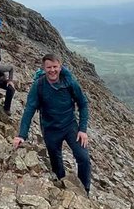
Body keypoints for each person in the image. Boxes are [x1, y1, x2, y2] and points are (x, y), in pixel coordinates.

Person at [14, 53, 91, 193]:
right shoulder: (39, 86)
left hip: (70, 125)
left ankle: (85, 191)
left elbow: (83, 104)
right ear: (44, 68)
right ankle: (62, 187)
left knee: (83, 157)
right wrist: (21, 135)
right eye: (49, 67)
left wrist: (83, 129)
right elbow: (29, 110)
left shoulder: (70, 82)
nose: (52, 70)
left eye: (55, 67)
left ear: (60, 67)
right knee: (56, 162)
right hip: (50, 129)